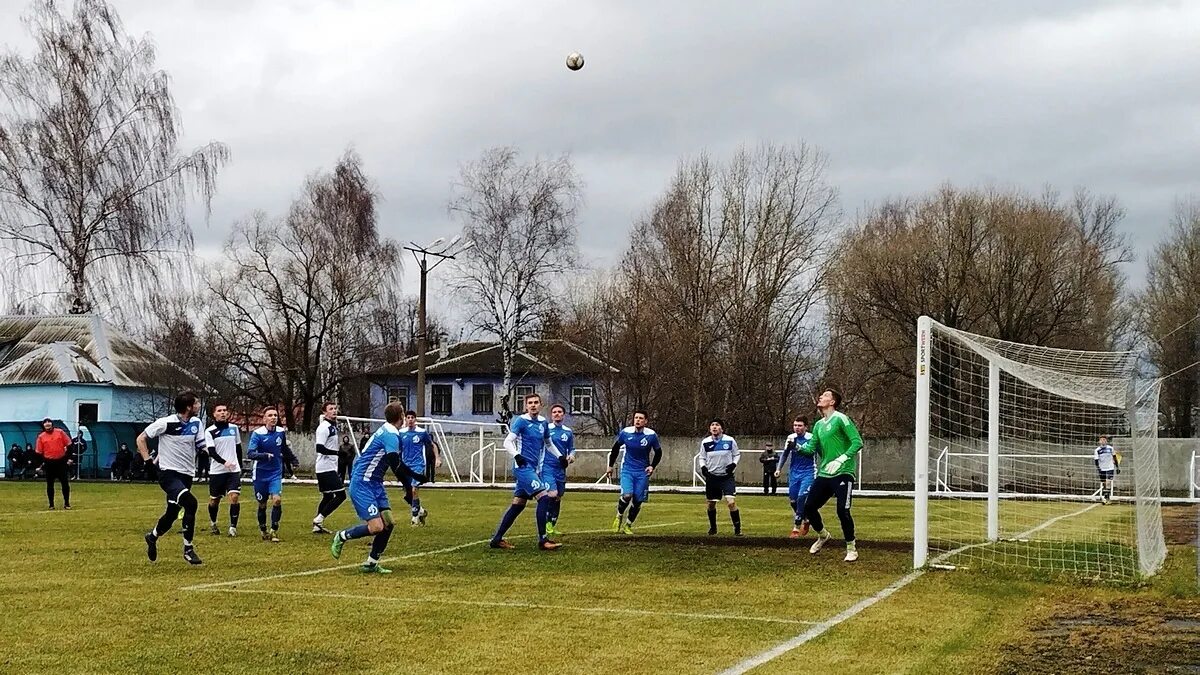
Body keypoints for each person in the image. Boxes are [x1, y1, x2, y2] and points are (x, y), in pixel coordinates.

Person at [330, 402, 408, 573]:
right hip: (362, 483)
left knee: (389, 522)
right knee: (376, 527)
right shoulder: (389, 434)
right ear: (400, 416)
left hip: (375, 483)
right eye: (403, 414)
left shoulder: (389, 432)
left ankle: (371, 563)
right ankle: (341, 536)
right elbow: (395, 463)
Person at [488, 393, 564, 550]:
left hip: (533, 469)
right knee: (544, 498)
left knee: (518, 504)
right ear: (526, 406)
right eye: (530, 403)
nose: (533, 405)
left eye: (536, 402)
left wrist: (560, 456)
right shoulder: (521, 421)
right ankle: (543, 540)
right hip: (523, 468)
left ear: (540, 405)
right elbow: (507, 442)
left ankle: (496, 539)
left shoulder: (543, 423)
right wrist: (517, 456)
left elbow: (548, 443)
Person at [138, 391, 206, 565]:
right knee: (191, 503)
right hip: (169, 473)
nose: (199, 406)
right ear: (189, 407)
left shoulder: (197, 423)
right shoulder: (166, 422)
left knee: (172, 514)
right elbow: (141, 438)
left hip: (187, 474)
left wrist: (213, 454)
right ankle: (188, 549)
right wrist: (148, 462)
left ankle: (152, 537)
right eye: (196, 403)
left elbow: (201, 446)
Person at [803, 389, 864, 562]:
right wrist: (797, 446)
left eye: (825, 395)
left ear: (832, 402)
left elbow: (857, 442)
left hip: (843, 472)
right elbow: (811, 448)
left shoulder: (841, 418)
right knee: (809, 507)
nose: (821, 397)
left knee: (842, 510)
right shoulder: (818, 425)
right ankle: (823, 535)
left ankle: (851, 547)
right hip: (825, 473)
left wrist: (841, 459)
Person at [246, 408, 299, 543]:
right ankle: (263, 530)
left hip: (275, 472)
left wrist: (293, 458)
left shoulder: (281, 432)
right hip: (260, 474)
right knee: (262, 503)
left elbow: (283, 448)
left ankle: (274, 529)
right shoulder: (257, 434)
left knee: (277, 500)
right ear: (264, 419)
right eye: (270, 415)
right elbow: (250, 454)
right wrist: (264, 456)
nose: (273, 417)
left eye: (275, 415)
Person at [606, 410, 663, 534]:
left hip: (642, 472)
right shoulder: (626, 433)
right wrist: (610, 466)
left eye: (641, 418)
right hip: (627, 469)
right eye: (636, 418)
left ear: (646, 421)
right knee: (627, 495)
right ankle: (619, 515)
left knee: (637, 501)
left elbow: (658, 452)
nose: (637, 420)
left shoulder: (651, 435)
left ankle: (628, 525)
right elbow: (615, 448)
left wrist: (652, 466)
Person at [204, 404, 243, 537]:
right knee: (215, 500)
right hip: (217, 471)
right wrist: (224, 462)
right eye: (219, 411)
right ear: (214, 414)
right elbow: (211, 452)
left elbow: (238, 448)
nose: (223, 413)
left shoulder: (234, 429)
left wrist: (239, 465)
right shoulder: (210, 431)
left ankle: (233, 527)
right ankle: (213, 522)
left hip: (233, 470)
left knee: (234, 497)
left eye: (225, 410)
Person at [699, 418, 742, 536]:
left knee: (731, 502)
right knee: (711, 504)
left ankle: (737, 529)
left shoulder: (730, 441)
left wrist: (733, 464)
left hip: (726, 477)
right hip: (712, 477)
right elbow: (702, 457)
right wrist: (703, 467)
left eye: (717, 425)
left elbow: (737, 454)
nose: (714, 427)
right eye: (712, 425)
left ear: (722, 428)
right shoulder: (705, 442)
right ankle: (713, 528)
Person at [398, 410, 441, 527]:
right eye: (408, 417)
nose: (410, 419)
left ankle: (414, 518)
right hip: (405, 465)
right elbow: (398, 448)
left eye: (412, 417)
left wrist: (437, 458)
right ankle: (421, 511)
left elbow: (432, 445)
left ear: (415, 419)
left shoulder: (422, 432)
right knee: (408, 495)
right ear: (405, 419)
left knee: (414, 489)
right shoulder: (401, 433)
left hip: (418, 464)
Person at [312, 402, 348, 534]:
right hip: (325, 467)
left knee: (327, 497)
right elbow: (319, 448)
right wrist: (338, 453)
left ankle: (317, 525)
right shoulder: (324, 427)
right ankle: (319, 519)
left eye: (335, 408)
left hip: (329, 466)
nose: (334, 411)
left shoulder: (333, 427)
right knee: (341, 495)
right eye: (331, 409)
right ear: (324, 412)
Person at [776, 417, 816, 538]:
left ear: (806, 427)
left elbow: (813, 452)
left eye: (799, 425)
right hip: (794, 473)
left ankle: (796, 527)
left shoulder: (811, 438)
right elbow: (785, 454)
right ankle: (806, 519)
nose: (797, 428)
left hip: (808, 472)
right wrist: (778, 469)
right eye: (795, 425)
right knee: (793, 501)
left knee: (801, 497)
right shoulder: (790, 438)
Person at [543, 403, 576, 536]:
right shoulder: (546, 429)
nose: (557, 414)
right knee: (552, 493)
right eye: (554, 412)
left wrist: (571, 456)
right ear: (551, 415)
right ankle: (546, 523)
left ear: (563, 415)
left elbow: (571, 448)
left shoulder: (567, 432)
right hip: (547, 466)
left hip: (560, 468)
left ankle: (552, 523)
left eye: (559, 412)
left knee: (558, 497)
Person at [36, 419, 74, 510]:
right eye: (46, 425)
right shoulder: (41, 437)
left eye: (49, 424)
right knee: (50, 484)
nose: (48, 426)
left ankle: (67, 503)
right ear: (44, 427)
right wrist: (40, 465)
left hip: (61, 461)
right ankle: (51, 504)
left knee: (65, 483)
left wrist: (69, 458)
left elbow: (69, 445)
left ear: (52, 425)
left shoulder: (60, 432)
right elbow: (38, 452)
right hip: (49, 463)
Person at [1094, 435, 1120, 505]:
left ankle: (1106, 498)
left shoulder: (1110, 448)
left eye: (1104, 439)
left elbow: (1115, 457)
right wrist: (1098, 468)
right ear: (1099, 441)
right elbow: (1096, 461)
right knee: (1104, 484)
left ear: (1106, 441)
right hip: (1102, 469)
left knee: (1108, 482)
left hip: (1110, 468)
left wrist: (1117, 467)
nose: (1103, 441)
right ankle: (1106, 496)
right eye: (1101, 440)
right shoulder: (1097, 450)